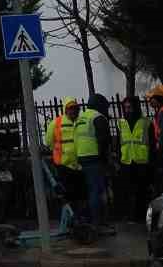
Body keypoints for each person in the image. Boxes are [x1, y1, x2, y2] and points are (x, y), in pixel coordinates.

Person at [75, 93, 115, 236]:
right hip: (95, 159)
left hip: (81, 158)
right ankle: (97, 224)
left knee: (87, 192)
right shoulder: (98, 118)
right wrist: (106, 161)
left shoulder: (80, 118)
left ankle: (89, 222)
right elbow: (104, 141)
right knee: (96, 192)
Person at [49, 99, 84, 239]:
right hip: (63, 165)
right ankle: (70, 222)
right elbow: (49, 141)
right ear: (65, 109)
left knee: (78, 195)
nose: (74, 110)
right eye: (71, 108)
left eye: (76, 108)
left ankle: (76, 221)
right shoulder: (56, 123)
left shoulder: (80, 122)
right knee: (67, 195)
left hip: (78, 165)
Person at [116, 97, 152, 223]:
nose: (128, 110)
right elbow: (118, 143)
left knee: (142, 191)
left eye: (130, 107)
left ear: (136, 107)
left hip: (142, 161)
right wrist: (118, 160)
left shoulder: (146, 122)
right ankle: (131, 215)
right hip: (126, 161)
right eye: (125, 107)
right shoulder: (121, 123)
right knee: (128, 191)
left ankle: (142, 216)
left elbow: (151, 143)